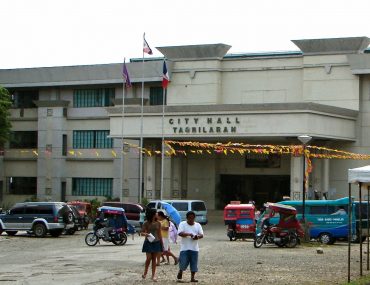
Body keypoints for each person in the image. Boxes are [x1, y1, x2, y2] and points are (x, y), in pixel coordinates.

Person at [177, 211, 204, 283]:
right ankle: (181, 270)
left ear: (194, 218)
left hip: (194, 248)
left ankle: (192, 277)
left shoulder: (198, 225)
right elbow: (180, 233)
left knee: (194, 263)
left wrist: (197, 237)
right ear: (187, 218)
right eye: (190, 218)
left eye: (192, 218)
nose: (191, 219)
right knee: (183, 262)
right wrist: (189, 234)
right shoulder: (182, 224)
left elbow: (201, 235)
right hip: (184, 247)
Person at [141, 208, 163, 282]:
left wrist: (161, 244)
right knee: (149, 258)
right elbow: (141, 232)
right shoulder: (146, 223)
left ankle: (153, 275)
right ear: (153, 214)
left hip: (156, 242)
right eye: (156, 213)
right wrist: (146, 234)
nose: (157, 214)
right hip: (148, 242)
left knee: (154, 259)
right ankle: (145, 272)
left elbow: (160, 234)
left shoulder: (158, 223)